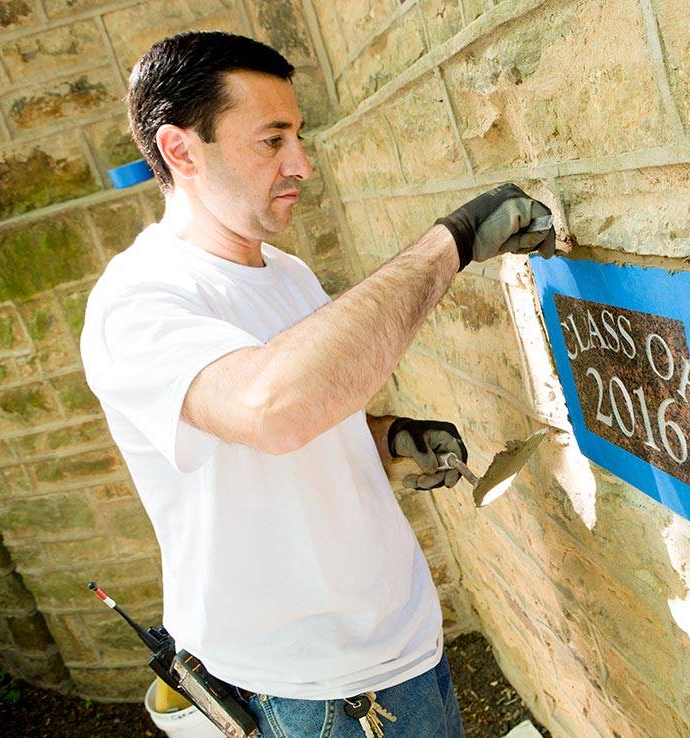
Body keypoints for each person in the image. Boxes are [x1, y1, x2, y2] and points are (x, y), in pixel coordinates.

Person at [79, 31, 554, 738]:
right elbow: (271, 410)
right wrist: (452, 241)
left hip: (402, 642)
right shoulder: (138, 303)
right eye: (272, 141)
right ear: (181, 150)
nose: (301, 164)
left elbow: (310, 418)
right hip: (316, 694)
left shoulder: (289, 273)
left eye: (297, 135)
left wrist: (389, 440)